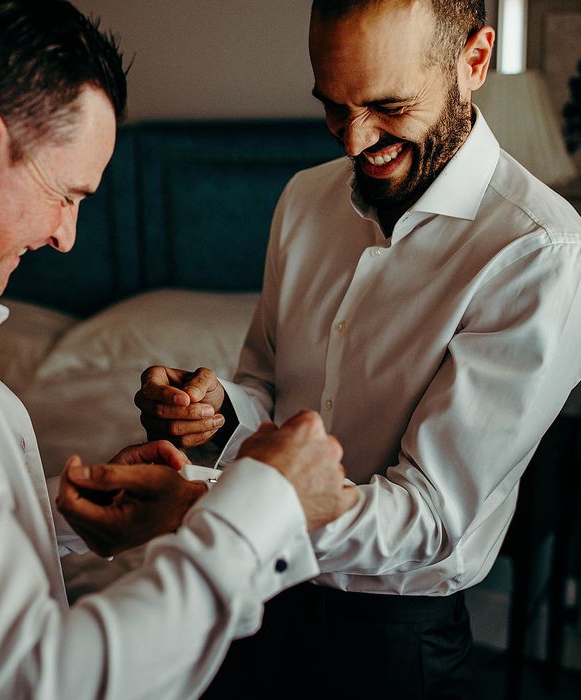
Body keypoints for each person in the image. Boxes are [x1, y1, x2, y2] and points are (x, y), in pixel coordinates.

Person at [0, 1, 360, 698]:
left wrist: (57, 519)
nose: (66, 236)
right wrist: (265, 505)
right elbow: (31, 682)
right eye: (65, 194)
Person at [135, 1, 581, 697]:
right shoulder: (303, 200)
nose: (353, 141)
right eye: (334, 109)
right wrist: (219, 416)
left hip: (395, 645)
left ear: (474, 61)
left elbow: (430, 516)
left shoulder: (538, 252)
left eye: (388, 106)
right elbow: (269, 390)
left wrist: (207, 500)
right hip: (255, 605)